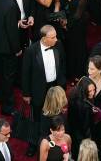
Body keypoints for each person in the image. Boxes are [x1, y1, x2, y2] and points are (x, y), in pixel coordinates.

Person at [22, 25, 67, 157]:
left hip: (55, 87)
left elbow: (63, 66)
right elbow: (26, 73)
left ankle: (55, 143)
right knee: (36, 117)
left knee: (55, 116)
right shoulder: (31, 51)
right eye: (53, 37)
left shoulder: (58, 45)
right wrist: (26, 93)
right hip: (38, 89)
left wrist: (62, 88)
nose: (56, 39)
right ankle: (33, 144)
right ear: (43, 38)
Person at [64, 0, 91, 79]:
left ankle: (78, 73)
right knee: (70, 48)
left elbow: (77, 15)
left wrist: (67, 24)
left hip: (78, 26)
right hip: (70, 22)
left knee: (77, 48)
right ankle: (71, 71)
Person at [67, 77, 96, 157]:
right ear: (84, 90)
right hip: (80, 135)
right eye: (90, 91)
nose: (92, 93)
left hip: (75, 130)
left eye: (93, 90)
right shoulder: (82, 106)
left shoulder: (76, 95)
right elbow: (84, 125)